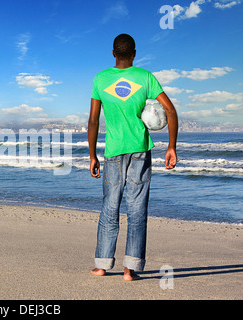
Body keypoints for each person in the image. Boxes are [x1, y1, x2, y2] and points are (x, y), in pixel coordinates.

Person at [88, 34, 178, 281]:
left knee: (110, 207)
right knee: (137, 208)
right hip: (140, 149)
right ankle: (130, 270)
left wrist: (92, 154)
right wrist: (171, 147)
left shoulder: (101, 79)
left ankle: (102, 266)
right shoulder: (145, 77)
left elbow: (94, 120)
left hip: (113, 152)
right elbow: (170, 111)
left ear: (113, 53)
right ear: (135, 53)